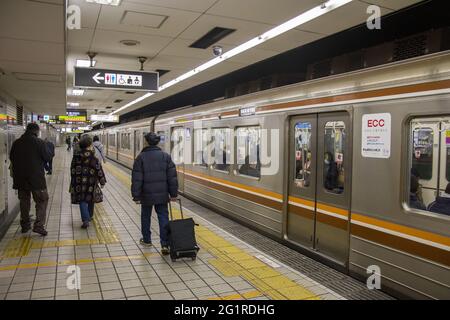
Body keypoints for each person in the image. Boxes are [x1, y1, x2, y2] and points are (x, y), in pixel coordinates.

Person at [131, 132, 178, 255]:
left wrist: (136, 195)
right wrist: (173, 194)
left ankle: (147, 240)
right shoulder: (166, 156)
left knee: (145, 216)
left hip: (146, 194)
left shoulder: (141, 157)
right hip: (162, 194)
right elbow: (172, 177)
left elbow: (137, 178)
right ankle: (165, 244)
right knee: (163, 217)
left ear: (146, 142)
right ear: (157, 142)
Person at [10, 123, 52, 235]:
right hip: (36, 178)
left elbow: (11, 158)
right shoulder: (39, 142)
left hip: (20, 179)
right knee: (42, 200)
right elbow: (48, 157)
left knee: (24, 201)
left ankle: (25, 225)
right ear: (36, 131)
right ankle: (38, 225)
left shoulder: (16, 143)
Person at [70, 135, 106, 228]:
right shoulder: (93, 158)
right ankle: (88, 217)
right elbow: (99, 170)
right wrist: (102, 182)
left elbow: (72, 169)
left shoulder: (76, 157)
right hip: (91, 182)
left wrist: (74, 180)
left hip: (78, 182)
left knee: (82, 199)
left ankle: (86, 219)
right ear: (90, 145)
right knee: (90, 198)